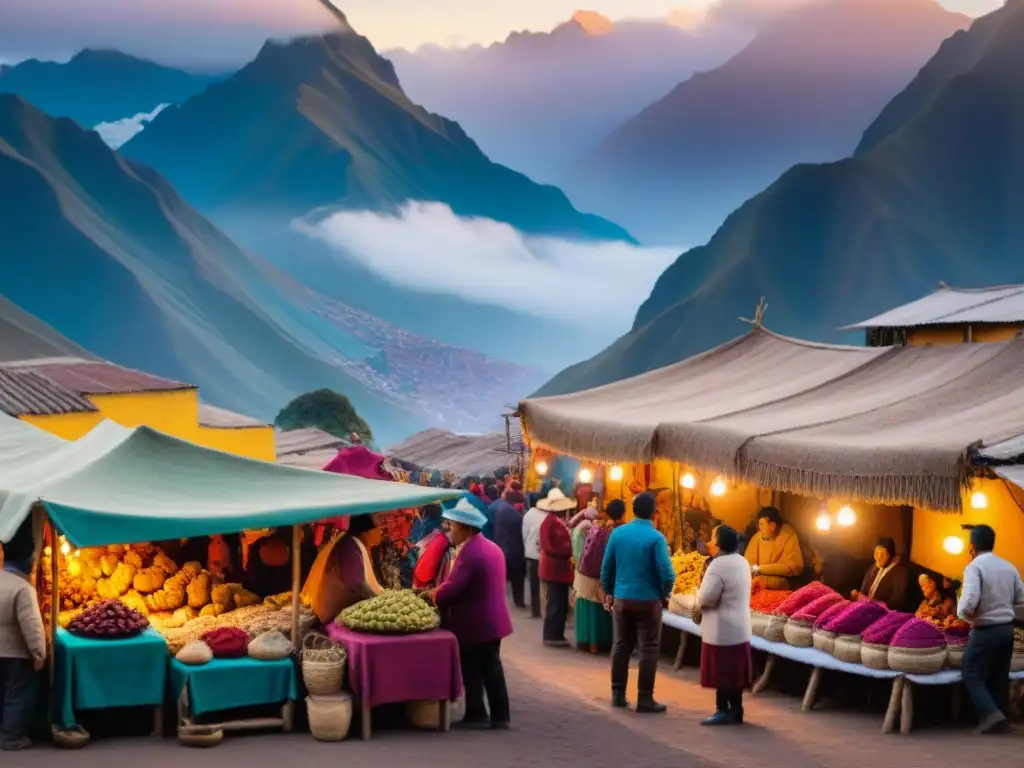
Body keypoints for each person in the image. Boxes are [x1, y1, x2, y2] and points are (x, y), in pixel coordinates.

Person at [425, 499, 513, 730]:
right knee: (489, 667)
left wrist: (430, 595)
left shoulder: (470, 554)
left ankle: (481, 714)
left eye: (452, 525)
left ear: (465, 528)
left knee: (475, 667)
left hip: (477, 623)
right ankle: (495, 714)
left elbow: (451, 589)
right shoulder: (489, 546)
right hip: (492, 620)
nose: (449, 529)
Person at [601, 492, 675, 713]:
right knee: (649, 649)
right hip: (648, 600)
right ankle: (644, 698)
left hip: (623, 598)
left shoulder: (618, 534)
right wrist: (664, 594)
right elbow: (668, 574)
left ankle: (617, 694)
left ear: (632, 510)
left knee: (621, 646)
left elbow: (606, 568)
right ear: (654, 512)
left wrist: (610, 592)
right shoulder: (656, 538)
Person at [957, 524, 1024, 734]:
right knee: (998, 676)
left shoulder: (974, 567)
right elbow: (1021, 598)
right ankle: (1000, 716)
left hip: (986, 629)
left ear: (972, 546)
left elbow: (969, 601)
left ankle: (991, 714)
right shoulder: (1009, 567)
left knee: (971, 672)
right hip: (1007, 629)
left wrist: (964, 615)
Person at [698, 525, 752, 726]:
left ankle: (722, 710)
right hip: (740, 626)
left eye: (713, 537)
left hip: (722, 628)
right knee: (734, 672)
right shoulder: (743, 562)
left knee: (723, 671)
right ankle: (736, 710)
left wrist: (698, 599)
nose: (711, 541)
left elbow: (707, 597)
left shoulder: (717, 565)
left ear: (719, 543)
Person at [0, 546, 46, 751]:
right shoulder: (22, 587)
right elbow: (32, 625)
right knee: (17, 694)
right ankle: (10, 738)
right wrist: (39, 653)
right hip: (14, 652)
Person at [574, 499, 626, 653]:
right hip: (601, 576)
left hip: (585, 574)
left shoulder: (596, 525)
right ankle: (601, 644)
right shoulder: (616, 530)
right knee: (602, 609)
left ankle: (588, 643)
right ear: (622, 513)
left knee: (589, 608)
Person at [538, 487, 576, 646]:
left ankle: (556, 634)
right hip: (554, 570)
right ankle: (552, 635)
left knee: (559, 602)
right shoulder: (549, 523)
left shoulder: (555, 521)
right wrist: (567, 552)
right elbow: (548, 547)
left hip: (557, 570)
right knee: (556, 603)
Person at [744, 506, 804, 590]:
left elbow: (795, 567)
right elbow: (748, 565)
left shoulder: (788, 535)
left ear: (774, 524)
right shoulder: (757, 537)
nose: (762, 528)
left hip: (782, 583)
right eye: (761, 524)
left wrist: (761, 569)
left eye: (766, 523)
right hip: (758, 581)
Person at [851, 538, 908, 610]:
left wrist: (873, 603)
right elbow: (864, 590)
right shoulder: (874, 567)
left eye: (883, 554)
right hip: (866, 608)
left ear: (890, 556)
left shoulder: (900, 572)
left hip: (883, 613)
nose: (879, 558)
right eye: (876, 553)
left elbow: (897, 602)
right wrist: (857, 596)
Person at [492, 494, 526, 608]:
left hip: (502, 546)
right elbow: (520, 532)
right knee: (517, 577)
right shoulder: (514, 515)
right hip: (514, 549)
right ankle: (519, 600)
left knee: (503, 577)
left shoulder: (502, 508)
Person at [522, 493, 547, 618]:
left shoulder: (527, 515)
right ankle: (546, 608)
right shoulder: (545, 516)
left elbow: (524, 535)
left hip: (531, 553)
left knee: (534, 584)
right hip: (543, 554)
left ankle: (535, 610)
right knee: (545, 583)